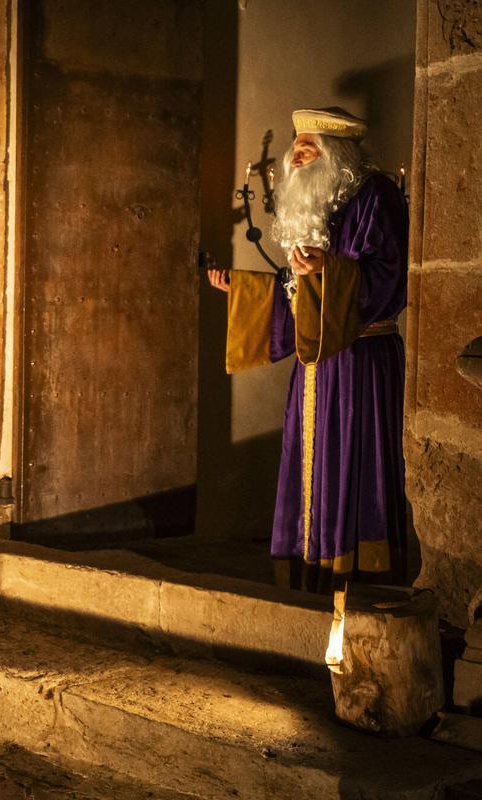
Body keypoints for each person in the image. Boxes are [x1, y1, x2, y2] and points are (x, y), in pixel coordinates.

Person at [208, 107, 408, 592]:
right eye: (296, 144)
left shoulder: (376, 195)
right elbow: (301, 291)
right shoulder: (318, 206)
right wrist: (245, 290)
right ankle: (314, 565)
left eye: (308, 145)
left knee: (356, 459)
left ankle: (362, 572)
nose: (296, 152)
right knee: (310, 460)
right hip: (318, 362)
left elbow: (389, 277)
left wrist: (329, 269)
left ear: (335, 153)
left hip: (362, 358)